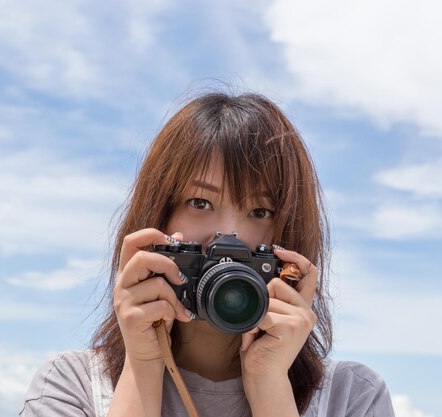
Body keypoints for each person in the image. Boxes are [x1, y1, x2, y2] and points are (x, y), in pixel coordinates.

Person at [20, 92, 395, 416]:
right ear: (157, 220)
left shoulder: (352, 397)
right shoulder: (72, 386)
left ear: (291, 238)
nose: (228, 236)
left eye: (260, 212)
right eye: (200, 202)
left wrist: (269, 383)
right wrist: (143, 366)